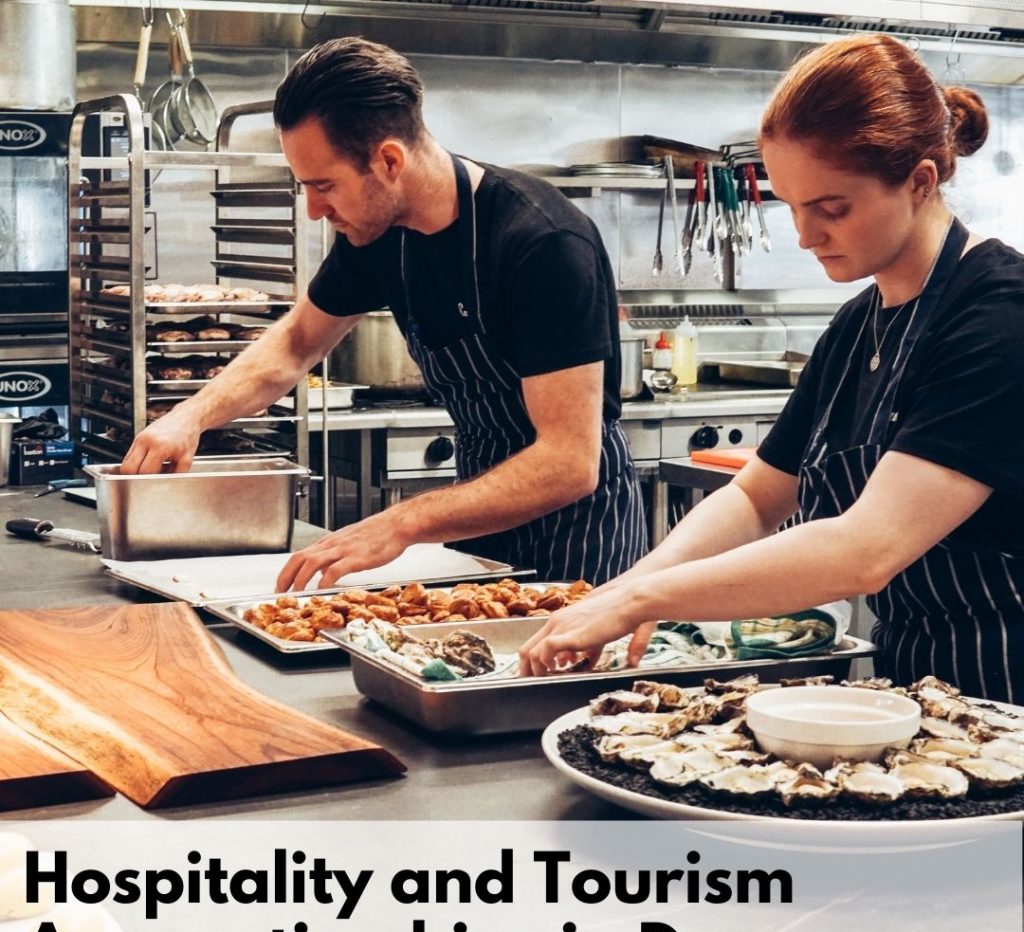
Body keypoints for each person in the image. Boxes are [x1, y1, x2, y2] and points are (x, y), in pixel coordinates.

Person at [520, 34, 1024, 704]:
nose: (805, 234)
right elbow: (757, 498)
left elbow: (866, 548)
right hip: (920, 699)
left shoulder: (999, 317)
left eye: (831, 208)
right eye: (791, 204)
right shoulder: (857, 325)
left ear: (920, 181)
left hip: (1009, 697)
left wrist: (647, 596)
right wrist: (624, 593)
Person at [121, 37, 646, 590]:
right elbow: (298, 342)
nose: (315, 210)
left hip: (581, 538)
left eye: (324, 186)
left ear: (389, 160)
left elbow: (568, 462)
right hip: (477, 517)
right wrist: (189, 417)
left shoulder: (541, 241)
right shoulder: (378, 236)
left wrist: (401, 522)